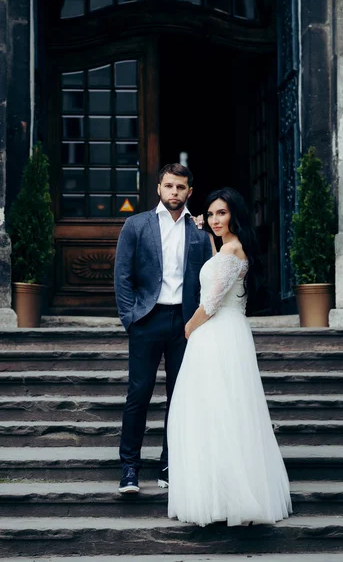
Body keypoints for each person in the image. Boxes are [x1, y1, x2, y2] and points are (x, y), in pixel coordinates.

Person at [167, 187, 292, 527]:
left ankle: (226, 498)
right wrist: (202, 230)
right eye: (210, 214)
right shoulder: (229, 248)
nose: (215, 219)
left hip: (217, 334)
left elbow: (210, 303)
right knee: (222, 411)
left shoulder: (231, 251)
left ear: (234, 214)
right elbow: (217, 270)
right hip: (229, 331)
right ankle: (221, 494)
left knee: (217, 412)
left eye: (221, 213)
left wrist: (189, 329)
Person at [114, 163, 212, 494]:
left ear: (189, 192)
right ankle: (129, 469)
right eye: (169, 186)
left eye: (180, 187)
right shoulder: (136, 225)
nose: (174, 192)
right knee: (138, 395)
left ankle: (169, 464)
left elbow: (206, 279)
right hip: (147, 319)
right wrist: (130, 318)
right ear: (159, 188)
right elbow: (122, 275)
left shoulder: (199, 231)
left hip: (184, 324)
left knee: (179, 397)